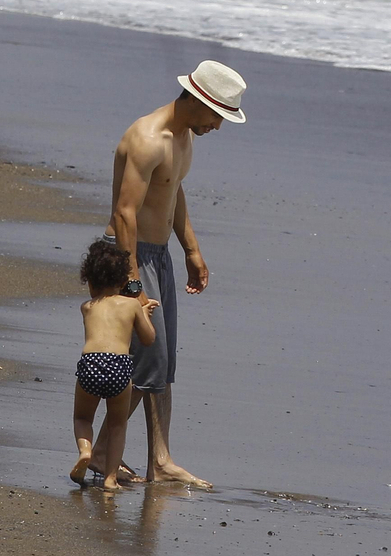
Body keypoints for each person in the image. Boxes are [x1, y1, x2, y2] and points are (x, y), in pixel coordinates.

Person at [88, 61, 247, 489]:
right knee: (148, 358)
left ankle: (160, 459)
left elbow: (172, 191)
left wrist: (191, 250)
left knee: (163, 364)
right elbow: (124, 214)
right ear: (198, 101)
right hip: (127, 254)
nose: (218, 126)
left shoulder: (182, 139)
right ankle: (102, 451)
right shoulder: (147, 138)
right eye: (217, 116)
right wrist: (134, 284)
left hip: (158, 256)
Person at [69, 240, 159, 491]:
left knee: (82, 416)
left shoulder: (86, 307)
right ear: (122, 281)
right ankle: (110, 478)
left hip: (91, 363)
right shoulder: (131, 305)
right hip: (119, 366)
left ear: (90, 280)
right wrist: (144, 314)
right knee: (117, 424)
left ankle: (85, 451)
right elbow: (148, 338)